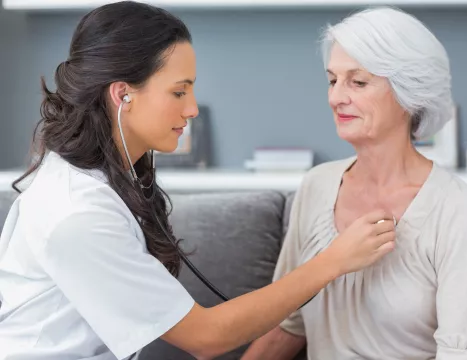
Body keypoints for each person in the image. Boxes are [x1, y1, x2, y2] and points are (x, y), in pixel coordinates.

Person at [0, 2, 397, 360]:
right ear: (123, 95)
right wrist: (334, 261)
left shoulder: (97, 180)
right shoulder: (78, 214)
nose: (191, 109)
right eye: (178, 91)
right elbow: (206, 338)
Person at [241, 6, 467, 360]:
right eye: (333, 80)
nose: (336, 97)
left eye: (358, 81)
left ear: (407, 92)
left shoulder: (460, 211)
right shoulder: (317, 186)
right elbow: (287, 326)